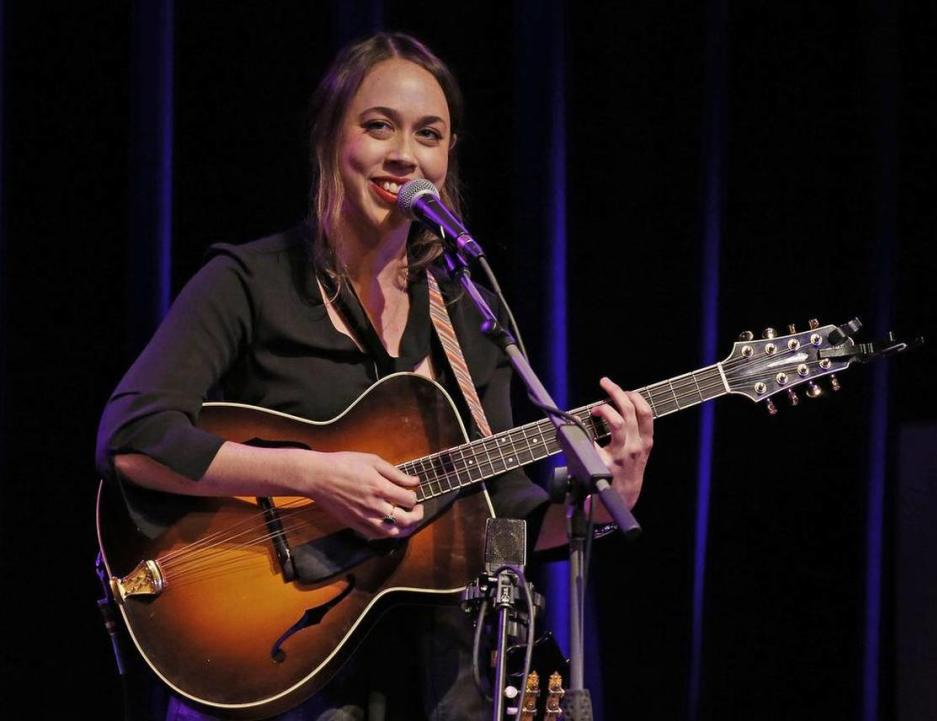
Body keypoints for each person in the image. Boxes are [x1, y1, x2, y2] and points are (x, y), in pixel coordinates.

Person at [96, 32, 653, 721]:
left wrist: (598, 502)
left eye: (430, 134)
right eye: (378, 126)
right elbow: (134, 436)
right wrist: (314, 476)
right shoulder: (249, 282)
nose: (404, 154)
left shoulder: (463, 311)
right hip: (281, 663)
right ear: (333, 139)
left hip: (435, 677)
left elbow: (500, 517)